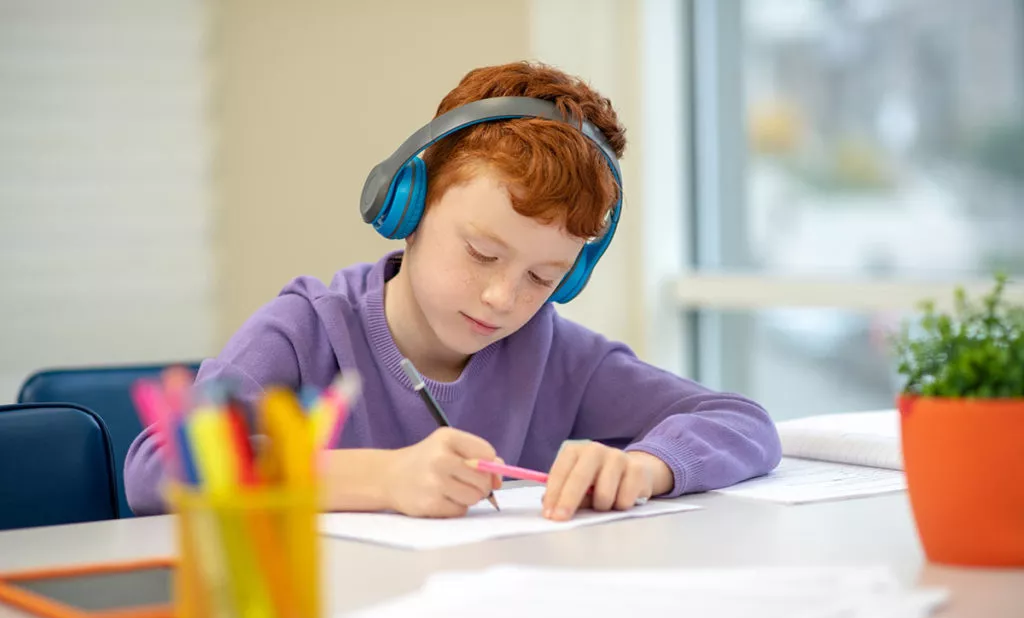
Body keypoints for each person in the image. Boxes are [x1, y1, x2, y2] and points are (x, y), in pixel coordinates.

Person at [125, 61, 781, 520]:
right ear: (407, 208)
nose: (502, 297)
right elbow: (159, 463)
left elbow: (743, 422)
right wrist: (382, 478)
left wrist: (647, 468)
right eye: (481, 252)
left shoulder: (560, 358)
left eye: (542, 278)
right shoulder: (307, 330)